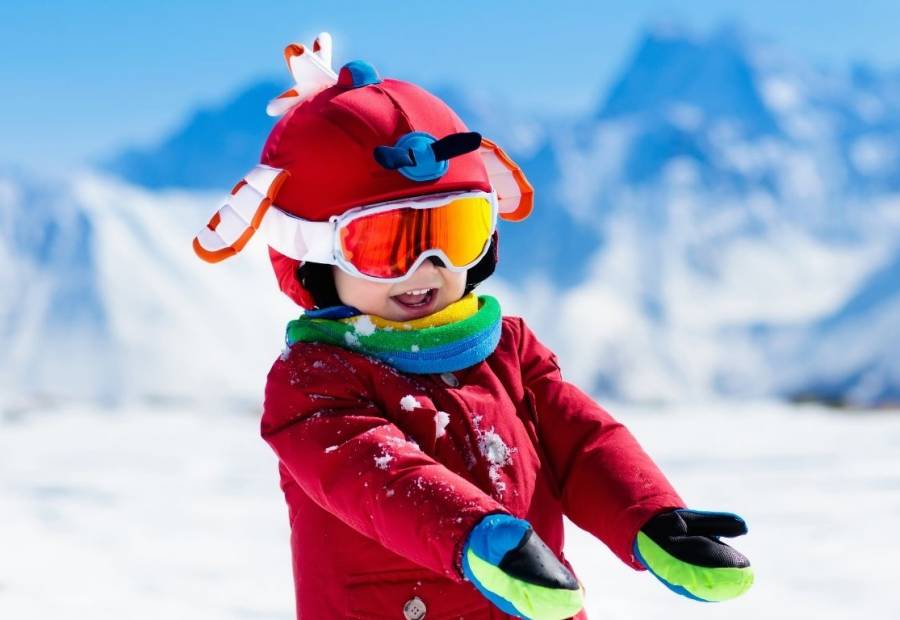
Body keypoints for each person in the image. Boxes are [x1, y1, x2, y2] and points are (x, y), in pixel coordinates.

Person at [193, 33, 753, 620]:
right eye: (386, 245)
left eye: (453, 235)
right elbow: (376, 475)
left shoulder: (508, 351)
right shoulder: (313, 383)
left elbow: (584, 444)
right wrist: (479, 537)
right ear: (314, 260)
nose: (426, 269)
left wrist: (649, 517)